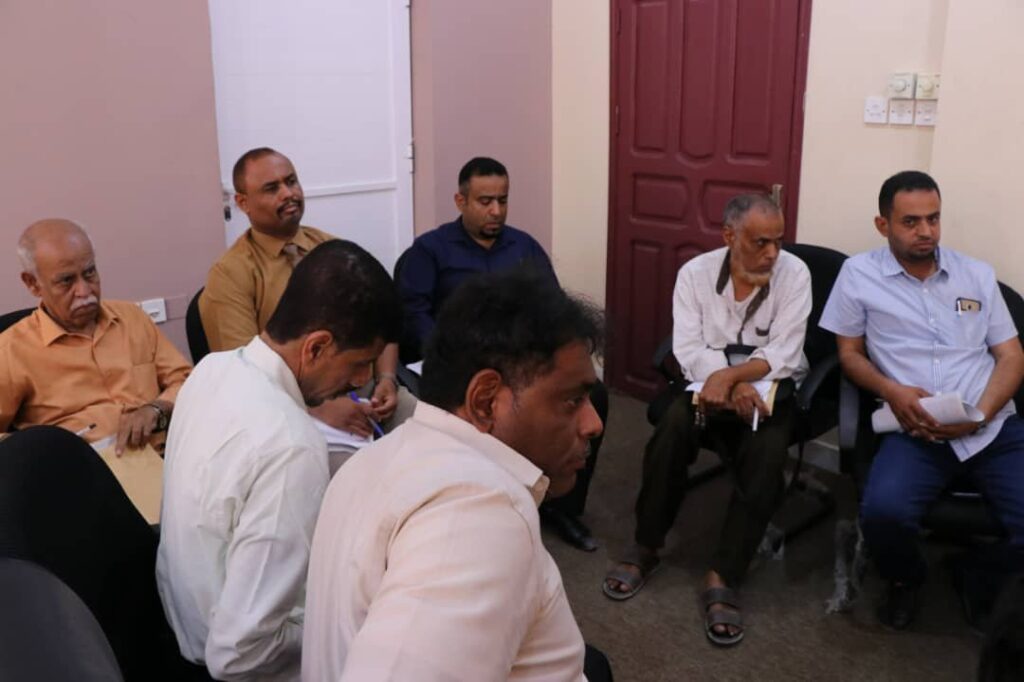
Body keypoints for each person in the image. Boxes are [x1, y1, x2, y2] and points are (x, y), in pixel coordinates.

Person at [302, 270, 612, 682]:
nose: (594, 424)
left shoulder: (374, 458)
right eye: (572, 400)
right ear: (485, 400)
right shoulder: (478, 513)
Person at [156, 240, 401, 681]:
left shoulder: (211, 368)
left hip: (182, 620)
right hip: (235, 661)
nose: (362, 380)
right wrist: (345, 624)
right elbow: (239, 654)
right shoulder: (292, 447)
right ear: (316, 347)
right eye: (361, 363)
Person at [602, 194, 811, 647]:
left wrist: (734, 378)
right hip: (705, 382)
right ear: (729, 236)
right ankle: (646, 544)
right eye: (760, 242)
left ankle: (724, 573)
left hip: (770, 385)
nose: (772, 253)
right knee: (671, 428)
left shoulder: (795, 274)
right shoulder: (694, 274)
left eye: (778, 241)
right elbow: (689, 347)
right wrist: (726, 382)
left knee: (767, 453)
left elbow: (784, 351)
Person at [819, 170, 1024, 630]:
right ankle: (905, 579)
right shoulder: (858, 275)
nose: (926, 231)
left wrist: (981, 414)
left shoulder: (976, 275)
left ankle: (977, 572)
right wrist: (891, 390)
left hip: (991, 428)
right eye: (910, 221)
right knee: (884, 514)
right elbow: (849, 355)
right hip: (915, 428)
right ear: (883, 224)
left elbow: (1011, 356)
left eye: (933, 218)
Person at [397, 155, 607, 551]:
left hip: (524, 366)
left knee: (592, 395)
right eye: (485, 201)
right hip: (461, 369)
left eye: (503, 200)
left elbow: (554, 308)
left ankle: (562, 504)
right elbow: (414, 313)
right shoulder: (431, 250)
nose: (496, 210)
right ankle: (474, 507)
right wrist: (448, 360)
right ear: (461, 201)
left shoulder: (524, 247)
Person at [200, 147, 412, 462]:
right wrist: (321, 408)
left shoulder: (330, 248)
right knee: (361, 477)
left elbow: (381, 320)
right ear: (242, 203)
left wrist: (387, 379)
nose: (289, 193)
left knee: (435, 438)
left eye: (291, 181)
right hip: (296, 404)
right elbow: (247, 372)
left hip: (366, 388)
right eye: (272, 188)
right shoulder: (231, 274)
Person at [0, 219, 190, 452]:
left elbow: (186, 382)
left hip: (170, 454)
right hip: (86, 469)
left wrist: (157, 408)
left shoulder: (132, 318)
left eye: (89, 273)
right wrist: (42, 448)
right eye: (66, 281)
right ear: (33, 284)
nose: (84, 291)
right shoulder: (12, 351)